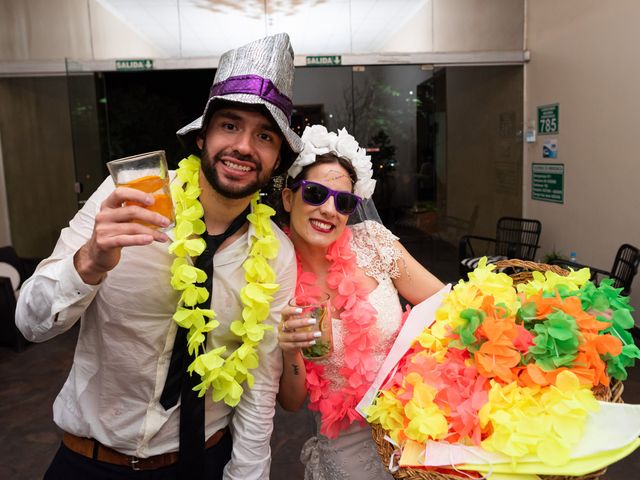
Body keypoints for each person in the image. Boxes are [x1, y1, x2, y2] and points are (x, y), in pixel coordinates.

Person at [15, 33, 303, 480]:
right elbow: (29, 325)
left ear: (277, 158)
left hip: (206, 461)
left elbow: (259, 387)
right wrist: (88, 263)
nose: (244, 147)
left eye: (264, 135)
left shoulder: (277, 256)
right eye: (230, 125)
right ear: (203, 136)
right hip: (92, 462)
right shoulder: (128, 198)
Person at [276, 125, 444, 479]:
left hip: (416, 430)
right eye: (315, 193)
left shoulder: (374, 244)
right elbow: (291, 403)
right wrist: (290, 351)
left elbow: (445, 306)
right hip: (346, 452)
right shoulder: (275, 276)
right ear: (289, 198)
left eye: (343, 201)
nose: (328, 209)